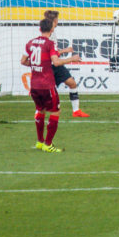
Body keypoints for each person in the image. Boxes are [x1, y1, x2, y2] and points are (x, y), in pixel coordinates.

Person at [21, 19, 81, 152]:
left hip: (34, 85)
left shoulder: (30, 43)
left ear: (40, 29)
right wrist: (72, 58)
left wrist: (37, 65)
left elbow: (23, 61)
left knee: (40, 110)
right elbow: (57, 62)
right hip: (46, 85)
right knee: (55, 111)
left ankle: (39, 142)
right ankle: (48, 144)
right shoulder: (50, 44)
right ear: (52, 29)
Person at [43, 10, 88, 118]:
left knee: (72, 83)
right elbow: (49, 54)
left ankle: (76, 111)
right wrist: (65, 51)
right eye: (57, 19)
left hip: (57, 65)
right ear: (54, 21)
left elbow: (53, 52)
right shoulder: (48, 35)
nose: (58, 21)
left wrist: (63, 51)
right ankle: (41, 112)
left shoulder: (52, 33)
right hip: (49, 66)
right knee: (48, 92)